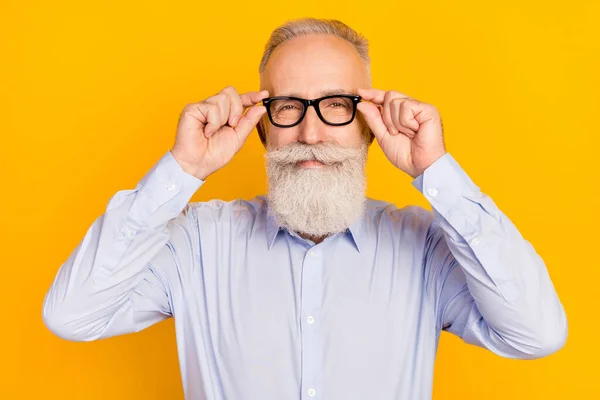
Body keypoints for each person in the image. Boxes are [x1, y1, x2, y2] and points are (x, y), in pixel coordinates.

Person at [42, 17, 568, 400]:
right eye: (288, 106)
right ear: (262, 126)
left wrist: (437, 173)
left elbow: (536, 333)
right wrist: (182, 169)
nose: (311, 133)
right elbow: (71, 315)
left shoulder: (426, 247)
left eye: (337, 105)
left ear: (369, 123)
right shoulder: (197, 244)